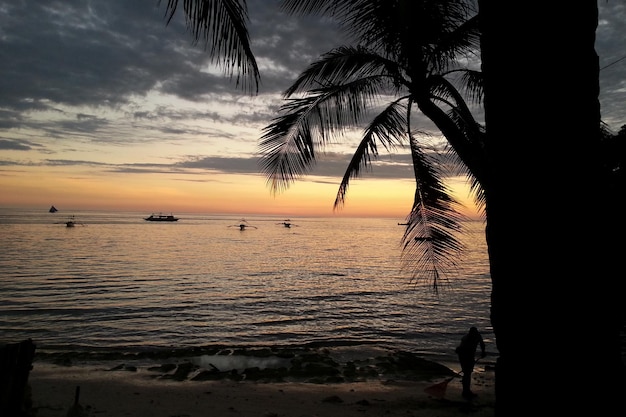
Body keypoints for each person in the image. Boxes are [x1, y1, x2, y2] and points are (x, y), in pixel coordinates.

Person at [455, 326, 486, 399]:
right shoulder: (466, 338)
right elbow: (461, 349)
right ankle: (466, 391)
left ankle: (466, 391)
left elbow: (482, 344)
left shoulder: (477, 336)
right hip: (464, 355)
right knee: (467, 373)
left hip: (468, 355)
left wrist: (483, 352)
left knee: (467, 373)